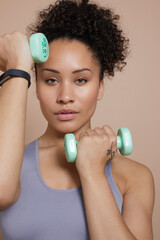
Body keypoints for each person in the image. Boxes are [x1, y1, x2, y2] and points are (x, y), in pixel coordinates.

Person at [0, 0, 155, 239]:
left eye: (80, 80)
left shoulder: (134, 177)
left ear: (100, 87)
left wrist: (92, 172)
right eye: (51, 80)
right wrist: (18, 68)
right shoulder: (10, 166)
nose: (65, 97)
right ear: (37, 87)